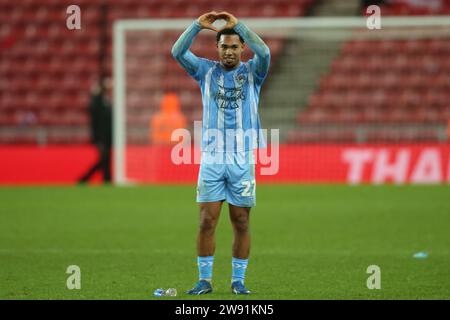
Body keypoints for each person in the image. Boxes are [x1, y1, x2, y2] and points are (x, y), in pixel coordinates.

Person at [172, 11, 270, 295]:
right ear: (217, 48)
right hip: (212, 158)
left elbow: (264, 50)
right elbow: (177, 51)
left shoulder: (254, 72)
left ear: (242, 48)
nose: (228, 51)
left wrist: (237, 24)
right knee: (206, 221)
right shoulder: (205, 71)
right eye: (224, 46)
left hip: (242, 157)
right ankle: (205, 280)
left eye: (234, 46)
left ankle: (238, 281)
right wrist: (195, 26)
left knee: (241, 220)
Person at [78, 78, 112, 184]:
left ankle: (106, 180)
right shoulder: (98, 101)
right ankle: (85, 178)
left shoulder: (107, 101)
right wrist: (95, 93)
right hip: (100, 137)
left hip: (108, 137)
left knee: (105, 159)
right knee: (103, 159)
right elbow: (93, 108)